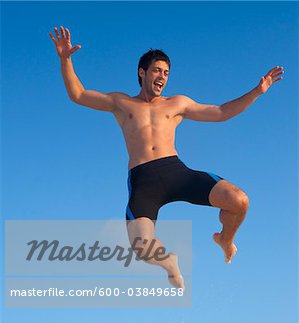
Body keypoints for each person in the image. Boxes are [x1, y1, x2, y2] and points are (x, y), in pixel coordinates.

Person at [49, 26, 283, 290]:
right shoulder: (121, 102)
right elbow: (78, 94)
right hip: (143, 181)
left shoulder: (177, 104)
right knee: (141, 247)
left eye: (167, 73)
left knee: (239, 201)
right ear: (142, 73)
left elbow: (221, 112)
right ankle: (170, 263)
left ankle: (225, 240)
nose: (163, 76)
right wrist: (65, 59)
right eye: (158, 71)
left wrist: (257, 91)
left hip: (175, 172)